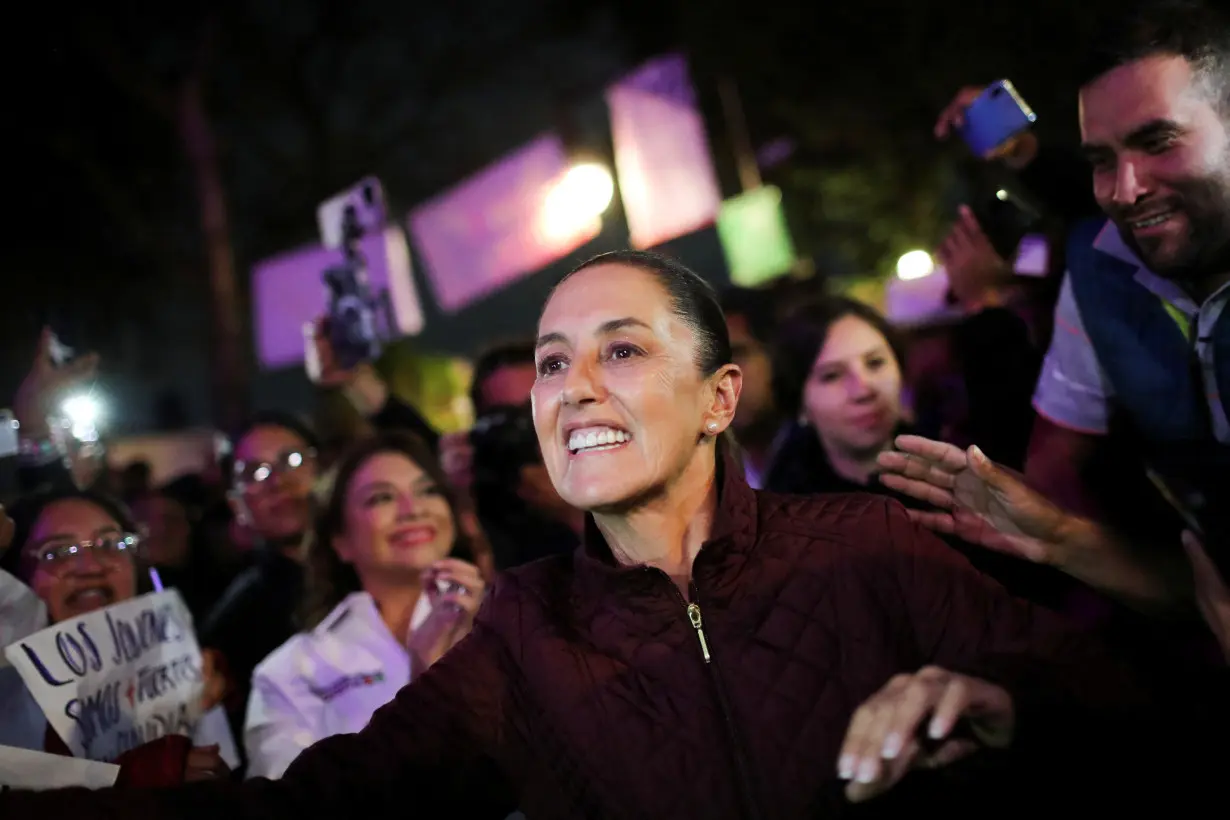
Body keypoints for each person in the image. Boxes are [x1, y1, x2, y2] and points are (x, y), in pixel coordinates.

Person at [0, 251, 1165, 817]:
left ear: (718, 398)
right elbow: (335, 803)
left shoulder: (864, 544)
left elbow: (1115, 692)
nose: (572, 389)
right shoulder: (525, 630)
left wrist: (999, 700)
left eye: (620, 349)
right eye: (552, 364)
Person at [243, 432, 486, 779]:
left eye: (427, 491)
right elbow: (289, 803)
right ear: (340, 541)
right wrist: (421, 689)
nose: (412, 509)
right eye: (381, 498)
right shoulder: (290, 672)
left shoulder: (508, 621)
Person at [0, 491, 237, 785]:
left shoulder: (187, 671)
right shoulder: (7, 700)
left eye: (111, 545)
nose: (91, 567)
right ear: (17, 577)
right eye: (58, 552)